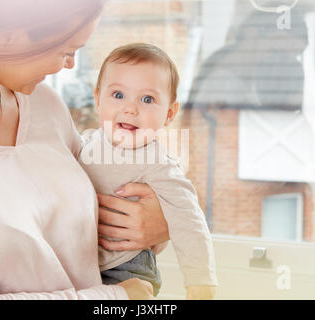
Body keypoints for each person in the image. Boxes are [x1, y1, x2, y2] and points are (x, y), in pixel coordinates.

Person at [0, 0, 170, 299]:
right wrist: (116, 299)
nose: (71, 64)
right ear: (10, 35)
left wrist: (158, 220)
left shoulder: (43, 103)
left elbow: (97, 197)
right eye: (68, 50)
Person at [78, 43, 218, 299]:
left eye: (147, 99)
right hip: (80, 267)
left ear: (169, 113)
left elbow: (190, 224)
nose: (130, 108)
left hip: (128, 268)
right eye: (118, 95)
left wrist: (200, 285)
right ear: (98, 100)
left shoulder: (159, 164)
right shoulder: (84, 144)